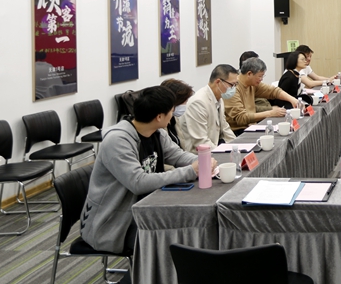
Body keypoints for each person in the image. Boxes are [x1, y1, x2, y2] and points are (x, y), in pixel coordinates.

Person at [80, 86, 216, 255]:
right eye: (171, 110)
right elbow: (138, 182)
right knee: (175, 237)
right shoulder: (118, 141)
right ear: (159, 116)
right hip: (113, 223)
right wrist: (190, 171)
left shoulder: (157, 132)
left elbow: (177, 155)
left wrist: (203, 161)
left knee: (190, 227)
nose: (173, 114)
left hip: (146, 208)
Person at [224, 57, 299, 132]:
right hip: (239, 130)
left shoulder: (252, 84)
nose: (261, 79)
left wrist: (292, 100)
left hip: (251, 126)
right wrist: (270, 113)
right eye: (260, 76)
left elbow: (273, 91)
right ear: (249, 74)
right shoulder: (232, 89)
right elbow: (241, 118)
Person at [177, 64, 237, 152]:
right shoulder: (198, 102)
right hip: (200, 154)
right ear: (218, 82)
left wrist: (237, 146)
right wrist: (223, 153)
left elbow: (225, 128)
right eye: (232, 85)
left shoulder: (219, 98)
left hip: (216, 147)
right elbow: (200, 141)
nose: (233, 88)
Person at [159, 78, 194, 146]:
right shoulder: (159, 126)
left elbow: (182, 146)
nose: (186, 105)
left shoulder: (174, 119)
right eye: (184, 101)